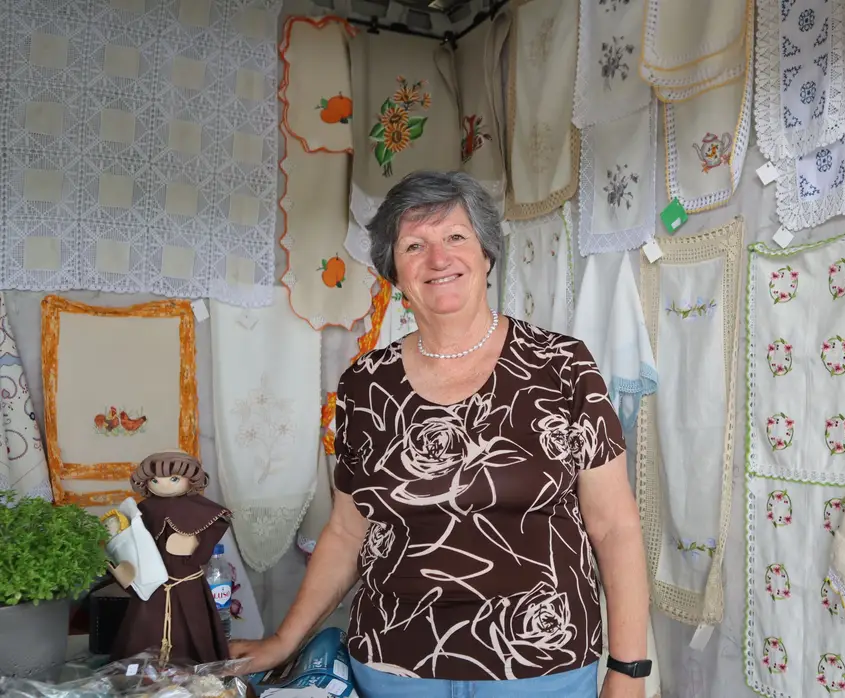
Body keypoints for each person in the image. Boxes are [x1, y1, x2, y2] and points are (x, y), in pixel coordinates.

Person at [231, 172, 651, 698]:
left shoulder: (562, 366)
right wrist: (284, 640)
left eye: (456, 237)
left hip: (541, 665)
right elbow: (346, 530)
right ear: (395, 272)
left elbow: (614, 526)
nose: (438, 259)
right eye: (414, 245)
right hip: (393, 665)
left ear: (486, 254)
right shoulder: (365, 384)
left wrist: (629, 671)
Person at [111, 452, 231, 664]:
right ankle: (140, 676)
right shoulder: (144, 509)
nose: (163, 485)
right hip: (152, 586)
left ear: (190, 479)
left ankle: (197, 673)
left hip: (187, 584)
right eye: (155, 480)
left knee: (194, 629)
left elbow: (210, 538)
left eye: (173, 479)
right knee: (143, 631)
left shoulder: (200, 508)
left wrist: (196, 545)